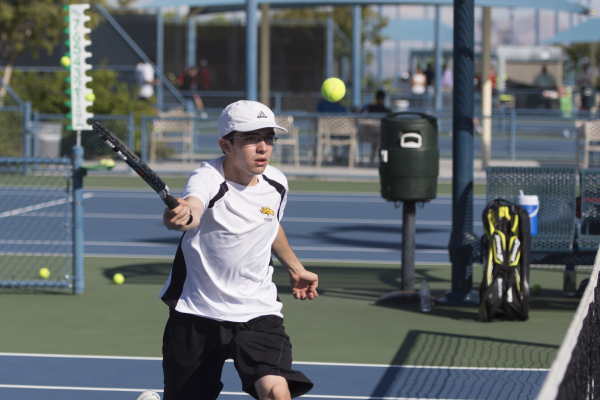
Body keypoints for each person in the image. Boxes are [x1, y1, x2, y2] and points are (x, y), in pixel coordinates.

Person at [161, 100, 317, 400]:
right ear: (226, 144)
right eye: (250, 138)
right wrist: (179, 217)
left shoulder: (277, 183)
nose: (263, 148)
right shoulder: (207, 178)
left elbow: (269, 225)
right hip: (198, 312)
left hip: (258, 311)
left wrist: (295, 268)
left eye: (269, 138)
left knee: (276, 392)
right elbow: (192, 209)